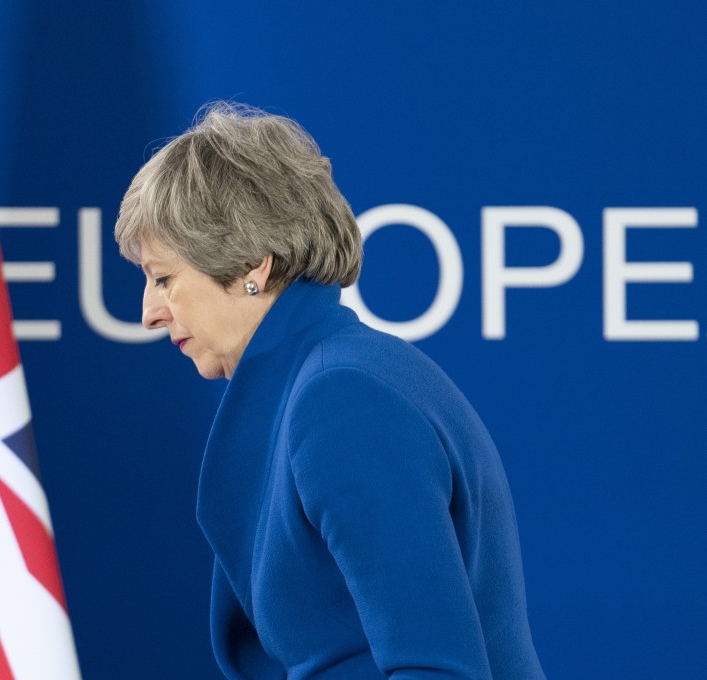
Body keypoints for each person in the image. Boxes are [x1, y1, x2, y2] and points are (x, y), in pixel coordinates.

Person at [114, 102, 545, 679]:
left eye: (164, 278)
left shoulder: (342, 399)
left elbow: (436, 669)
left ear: (251, 266)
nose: (149, 312)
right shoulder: (327, 380)